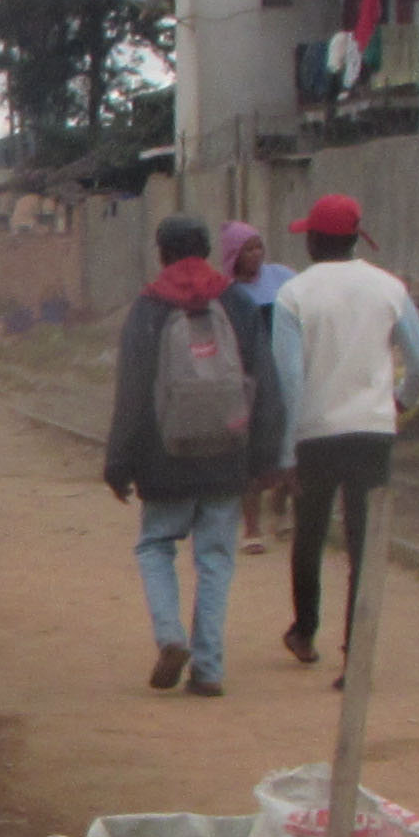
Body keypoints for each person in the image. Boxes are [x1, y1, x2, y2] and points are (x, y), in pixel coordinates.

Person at [104, 215, 281, 696]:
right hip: (228, 452)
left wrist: (119, 462)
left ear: (161, 253)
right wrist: (266, 456)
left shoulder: (148, 307)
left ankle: (170, 636)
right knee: (217, 558)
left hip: (164, 456)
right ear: (206, 251)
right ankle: (209, 668)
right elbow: (263, 379)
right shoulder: (237, 302)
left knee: (155, 546)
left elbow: (133, 391)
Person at [268, 194, 419, 669]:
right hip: (372, 430)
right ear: (356, 239)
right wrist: (401, 401)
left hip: (315, 431)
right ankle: (356, 650)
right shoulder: (389, 288)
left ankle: (304, 630)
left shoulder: (293, 295)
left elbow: (289, 380)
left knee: (310, 533)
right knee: (364, 540)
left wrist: (286, 451)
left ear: (315, 241)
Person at [218, 219, 293, 550]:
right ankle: (251, 528)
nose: (256, 254)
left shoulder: (283, 278)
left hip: (286, 371)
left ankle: (281, 503)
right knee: (248, 448)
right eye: (248, 248)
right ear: (234, 254)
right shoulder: (226, 292)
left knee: (290, 438)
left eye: (259, 246)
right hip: (247, 376)